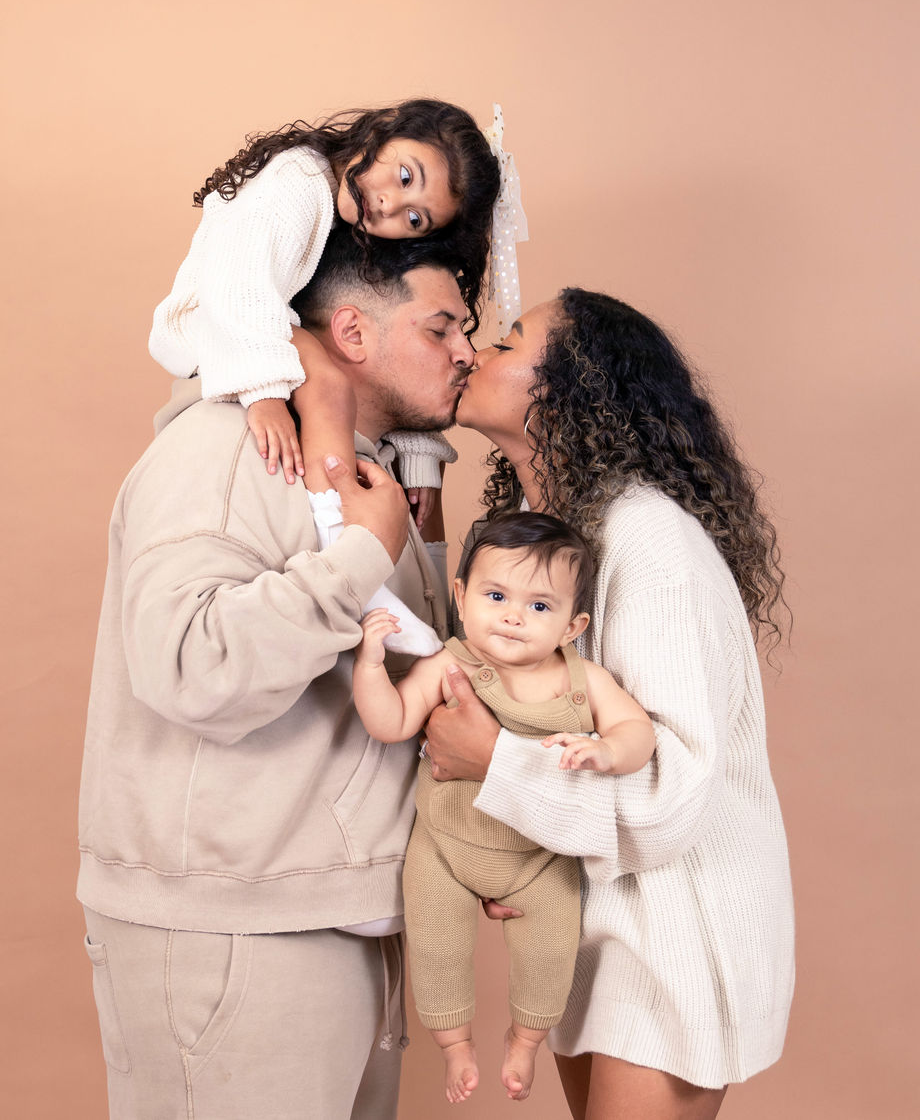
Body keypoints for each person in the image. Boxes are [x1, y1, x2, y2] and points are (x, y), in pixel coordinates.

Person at [77, 226, 476, 1120]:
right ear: (352, 331)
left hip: (327, 912)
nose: (466, 351)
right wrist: (362, 557)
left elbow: (400, 667)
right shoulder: (224, 451)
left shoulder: (353, 476)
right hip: (233, 924)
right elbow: (188, 663)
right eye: (442, 327)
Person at [424, 290, 795, 1120]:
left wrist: (494, 766)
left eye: (510, 341)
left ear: (570, 386)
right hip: (600, 918)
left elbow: (673, 800)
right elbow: (541, 724)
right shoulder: (554, 538)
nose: (477, 350)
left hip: (677, 931)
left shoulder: (648, 541)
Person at [148, 98, 501, 655]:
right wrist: (263, 395)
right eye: (404, 174)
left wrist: (418, 454)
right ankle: (351, 558)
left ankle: (359, 570)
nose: (389, 202)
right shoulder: (295, 181)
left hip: (262, 326)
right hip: (213, 328)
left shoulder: (342, 209)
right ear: (384, 130)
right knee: (329, 391)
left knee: (334, 392)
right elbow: (239, 285)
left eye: (415, 217)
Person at [353, 511, 655, 1104]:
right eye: (496, 595)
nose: (514, 616)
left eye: (540, 607)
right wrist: (369, 666)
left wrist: (606, 749)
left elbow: (636, 732)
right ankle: (455, 1045)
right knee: (437, 943)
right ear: (462, 598)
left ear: (574, 626)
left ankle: (525, 1038)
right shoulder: (448, 664)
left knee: (551, 948)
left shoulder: (583, 679)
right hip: (445, 846)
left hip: (539, 858)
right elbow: (390, 722)